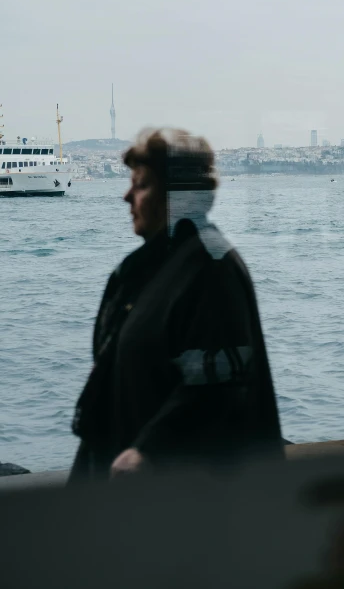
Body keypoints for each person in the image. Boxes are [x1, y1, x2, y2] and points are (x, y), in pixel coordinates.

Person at [69, 128, 283, 481]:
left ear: (176, 195)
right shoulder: (146, 267)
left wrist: (147, 452)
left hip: (181, 497)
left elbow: (219, 386)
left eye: (140, 185)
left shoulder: (212, 268)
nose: (127, 196)